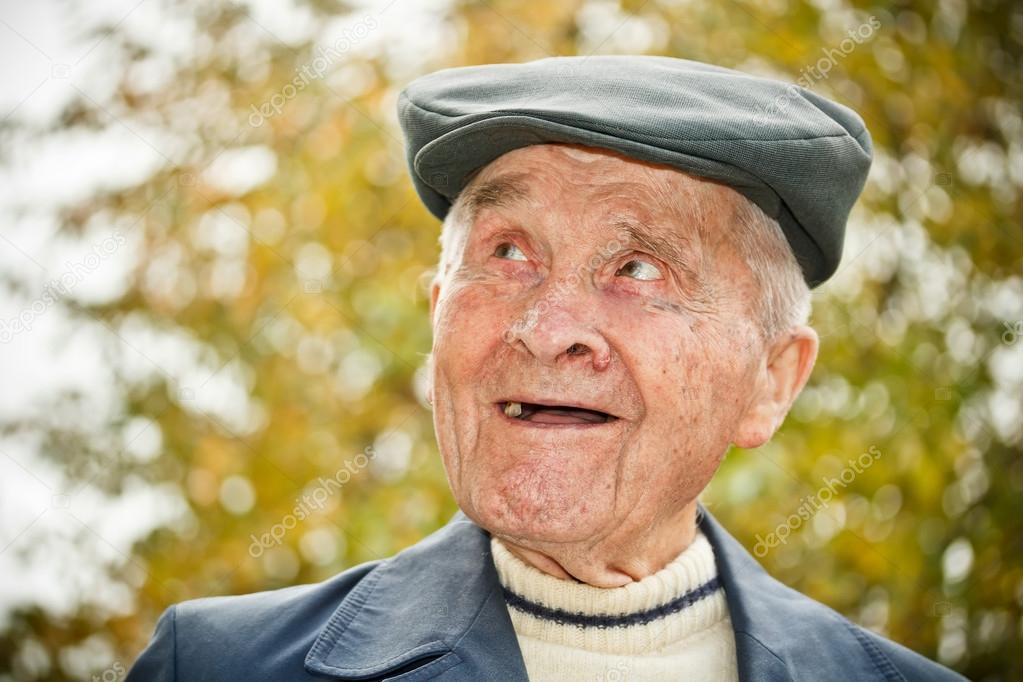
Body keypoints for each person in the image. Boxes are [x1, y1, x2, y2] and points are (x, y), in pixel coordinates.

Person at [127, 55, 965, 681]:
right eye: (508, 252)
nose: (546, 328)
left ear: (771, 381)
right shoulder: (212, 666)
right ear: (437, 318)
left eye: (639, 268)